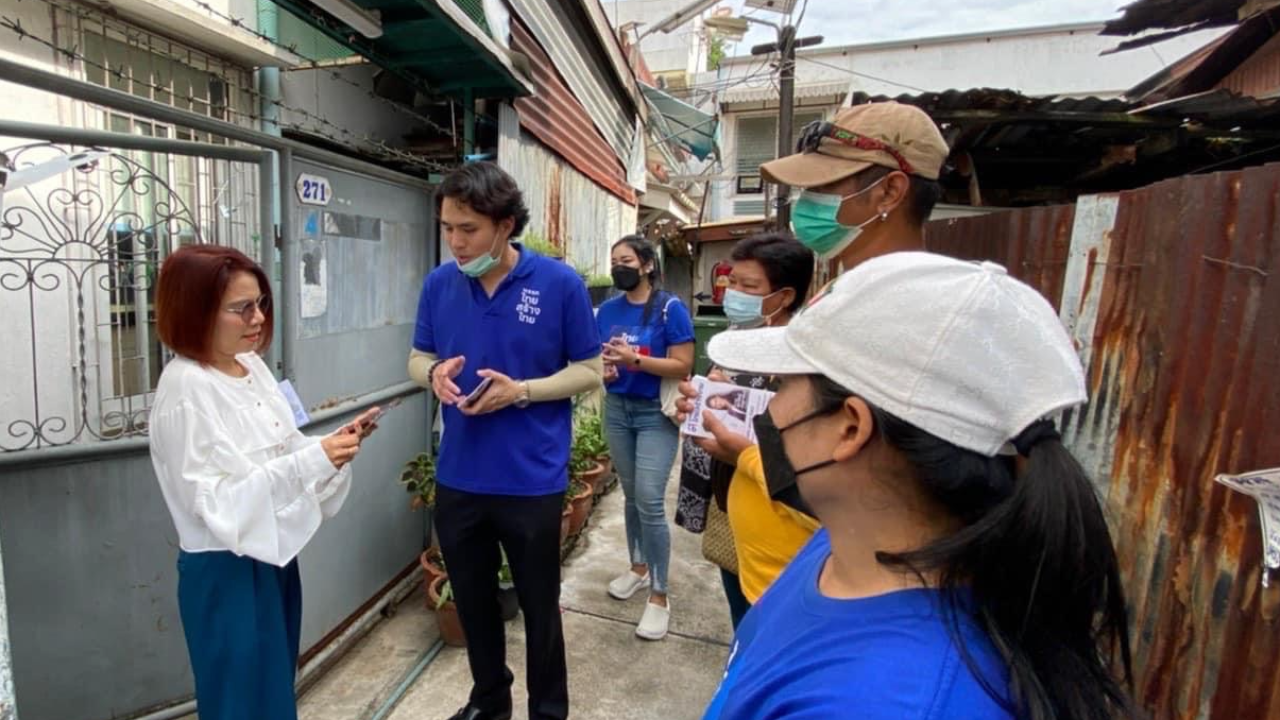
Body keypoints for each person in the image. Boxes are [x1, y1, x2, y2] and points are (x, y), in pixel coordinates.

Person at [701, 252, 1135, 720]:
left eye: (784, 384)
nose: (770, 409)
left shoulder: (887, 704)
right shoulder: (853, 543)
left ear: (851, 427)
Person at [684, 99, 951, 524]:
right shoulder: (840, 294)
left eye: (824, 188)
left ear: (890, 192)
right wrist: (732, 404)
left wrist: (751, 457)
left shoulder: (910, 317)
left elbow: (878, 491)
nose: (806, 204)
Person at [407, 162, 603, 720]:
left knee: (540, 607)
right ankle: (489, 702)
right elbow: (418, 356)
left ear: (505, 225)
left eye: (468, 229)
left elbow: (590, 370)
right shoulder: (440, 284)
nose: (455, 242)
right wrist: (433, 374)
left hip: (531, 478)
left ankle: (548, 710)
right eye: (448, 228)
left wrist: (522, 392)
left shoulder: (558, 284)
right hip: (460, 476)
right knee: (474, 602)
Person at [149, 245, 377, 720]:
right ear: (195, 310)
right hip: (225, 567)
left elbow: (285, 444)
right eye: (241, 308)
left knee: (273, 693)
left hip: (273, 558)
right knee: (239, 703)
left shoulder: (250, 366)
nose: (257, 318)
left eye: (261, 304)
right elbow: (215, 503)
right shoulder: (186, 388)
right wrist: (311, 462)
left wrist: (330, 449)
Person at [673, 233, 813, 629]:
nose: (734, 293)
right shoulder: (735, 339)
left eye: (749, 286)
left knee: (770, 623)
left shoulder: (805, 359)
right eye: (731, 281)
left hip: (781, 522)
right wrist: (699, 404)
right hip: (729, 500)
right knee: (741, 614)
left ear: (785, 296)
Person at [594, 235, 695, 640]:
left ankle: (659, 594)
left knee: (650, 500)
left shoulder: (670, 308)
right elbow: (598, 356)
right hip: (618, 410)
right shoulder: (608, 310)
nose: (619, 267)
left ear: (648, 265)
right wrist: (607, 368)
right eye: (614, 261)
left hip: (655, 414)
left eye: (626, 260)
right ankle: (638, 568)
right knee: (632, 496)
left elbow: (683, 364)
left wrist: (635, 359)